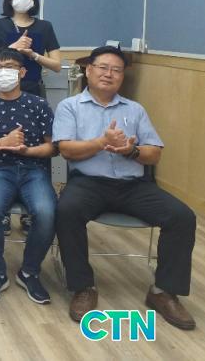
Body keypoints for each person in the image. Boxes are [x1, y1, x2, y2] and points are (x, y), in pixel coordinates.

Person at [53, 46, 197, 330]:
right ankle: (83, 287)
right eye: (103, 67)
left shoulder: (135, 109)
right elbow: (66, 149)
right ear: (88, 70)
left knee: (182, 217)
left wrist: (131, 151)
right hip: (88, 183)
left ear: (122, 76)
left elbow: (154, 153)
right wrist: (101, 142)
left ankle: (164, 292)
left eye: (116, 70)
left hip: (133, 186)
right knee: (66, 211)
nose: (109, 74)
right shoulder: (70, 106)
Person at [0, 48, 57, 305]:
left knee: (47, 211)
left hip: (34, 170)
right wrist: (2, 143)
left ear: (22, 72)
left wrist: (27, 150)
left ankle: (29, 271)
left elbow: (52, 147)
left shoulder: (39, 105)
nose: (3, 72)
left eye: (10, 67)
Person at [0, 0, 61, 237]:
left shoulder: (45, 27)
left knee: (36, 145)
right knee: (0, 145)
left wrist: (33, 55)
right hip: (1, 93)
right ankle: (0, 211)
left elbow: (57, 64)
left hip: (32, 91)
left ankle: (31, 210)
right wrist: (12, 48)